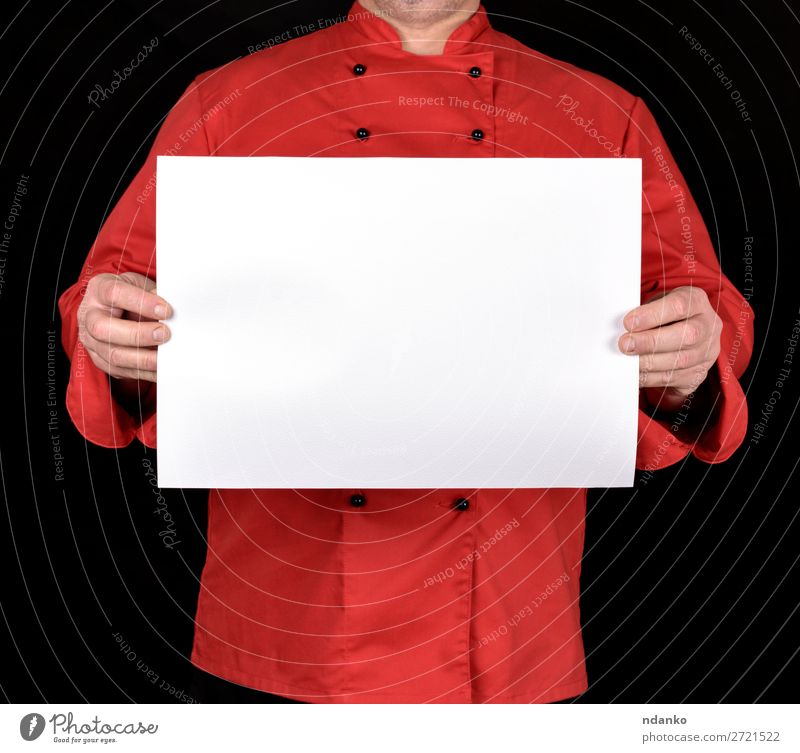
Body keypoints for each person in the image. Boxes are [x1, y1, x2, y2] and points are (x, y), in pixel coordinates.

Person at [58, 0, 753, 703]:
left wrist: (690, 359)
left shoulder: (603, 114)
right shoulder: (225, 101)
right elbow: (111, 287)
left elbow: (702, 308)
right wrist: (110, 331)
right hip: (286, 628)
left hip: (505, 629)